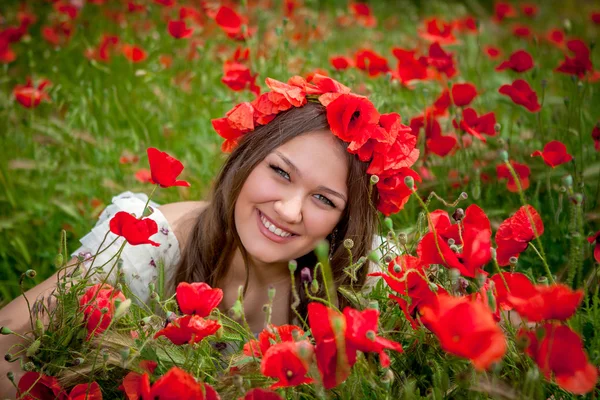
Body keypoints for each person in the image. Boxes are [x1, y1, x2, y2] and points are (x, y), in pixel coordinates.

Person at [0, 74, 417, 396]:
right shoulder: (148, 245)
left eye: (324, 200)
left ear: (345, 223)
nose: (290, 211)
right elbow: (7, 339)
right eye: (280, 172)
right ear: (246, 160)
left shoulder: (370, 279)